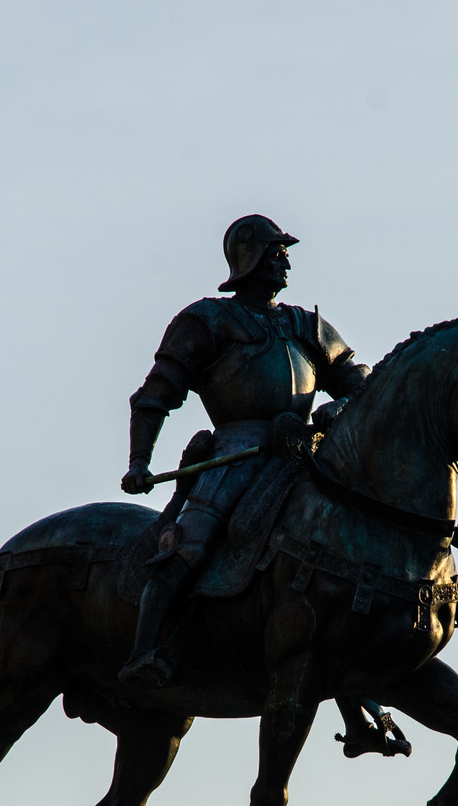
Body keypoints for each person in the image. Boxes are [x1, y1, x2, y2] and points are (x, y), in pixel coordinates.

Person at [118, 214, 369, 688]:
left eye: (286, 254)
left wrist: (345, 407)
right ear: (250, 259)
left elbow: (355, 378)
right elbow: (156, 394)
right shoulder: (209, 319)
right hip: (236, 454)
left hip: (303, 454)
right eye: (277, 254)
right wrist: (139, 462)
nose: (286, 264)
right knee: (190, 546)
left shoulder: (305, 324)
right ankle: (143, 652)